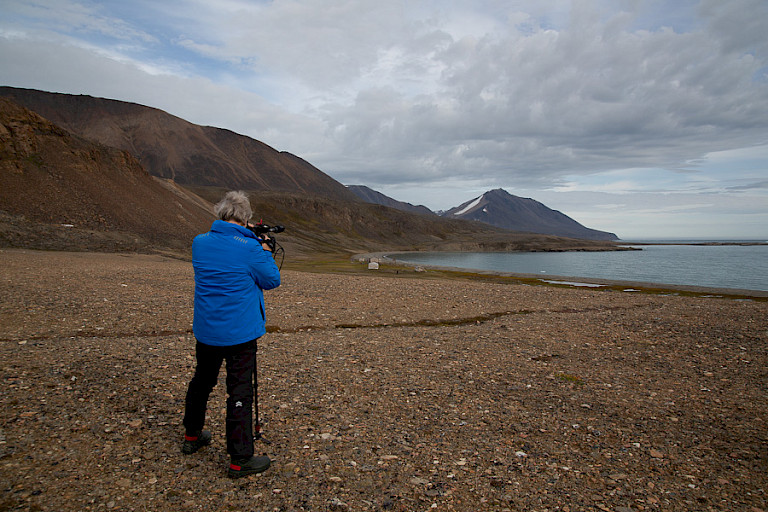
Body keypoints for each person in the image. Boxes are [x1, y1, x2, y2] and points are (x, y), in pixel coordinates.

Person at [181, 190, 281, 478]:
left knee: (202, 381)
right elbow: (271, 279)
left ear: (221, 214)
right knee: (239, 391)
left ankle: (192, 435)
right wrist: (262, 248)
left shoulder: (199, 243)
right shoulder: (250, 248)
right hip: (240, 333)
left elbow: (225, 250)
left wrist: (246, 236)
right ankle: (240, 458)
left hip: (207, 330)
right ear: (246, 218)